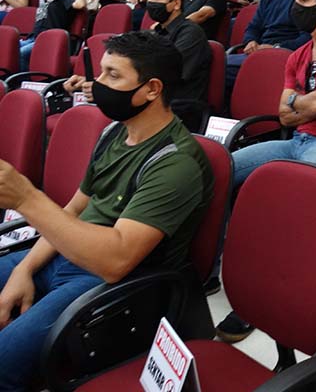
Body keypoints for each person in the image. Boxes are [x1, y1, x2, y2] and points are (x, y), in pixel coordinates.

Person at [0, 32, 213, 391]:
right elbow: (72, 210)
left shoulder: (176, 164)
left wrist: (26, 199)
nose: (97, 83)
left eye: (113, 75)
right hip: (64, 254)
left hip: (109, 282)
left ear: (152, 89)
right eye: (101, 71)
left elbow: (115, 261)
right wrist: (24, 269)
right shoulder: (114, 133)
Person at [215, 0, 316, 343]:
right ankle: (212, 261)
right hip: (297, 140)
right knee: (220, 168)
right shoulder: (298, 55)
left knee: (286, 199)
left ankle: (260, 294)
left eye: (302, 1)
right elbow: (284, 115)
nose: (293, 7)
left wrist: (301, 102)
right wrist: (309, 103)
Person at [66, 0, 211, 105]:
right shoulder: (154, 33)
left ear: (176, 3)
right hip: (148, 98)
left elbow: (164, 74)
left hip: (175, 105)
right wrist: (95, 81)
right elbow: (131, 67)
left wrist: (104, 87)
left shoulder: (190, 33)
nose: (151, 3)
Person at [225, 0, 310, 90]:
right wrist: (250, 41)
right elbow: (253, 27)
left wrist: (275, 48)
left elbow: (307, 38)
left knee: (220, 69)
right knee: (214, 63)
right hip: (258, 52)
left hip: (286, 55)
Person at [20, 0, 87, 71]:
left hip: (49, 39)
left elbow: (81, 5)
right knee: (9, 48)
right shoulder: (51, 0)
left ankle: (25, 78)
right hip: (34, 36)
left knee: (22, 53)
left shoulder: (66, 0)